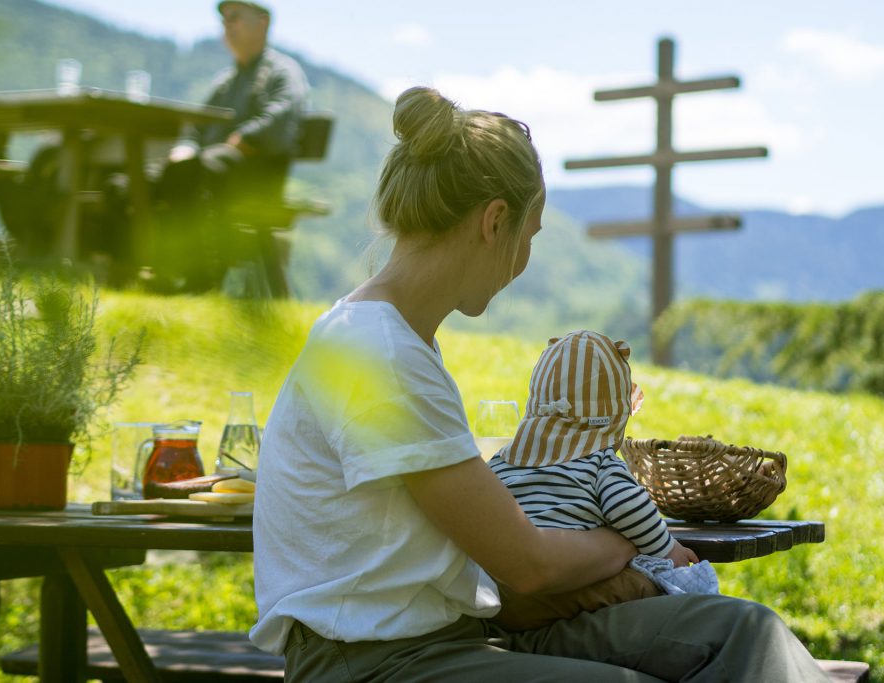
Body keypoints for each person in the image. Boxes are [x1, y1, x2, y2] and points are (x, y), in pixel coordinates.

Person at [251, 86, 832, 682]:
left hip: (454, 637)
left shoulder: (393, 340)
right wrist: (626, 544)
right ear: (495, 221)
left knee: (741, 632)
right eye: (529, 236)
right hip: (378, 664)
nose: (523, 259)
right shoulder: (378, 353)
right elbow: (527, 565)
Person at [488, 330, 719, 631]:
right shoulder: (599, 462)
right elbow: (627, 506)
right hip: (569, 586)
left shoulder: (503, 461)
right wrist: (668, 550)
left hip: (501, 595)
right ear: (615, 412)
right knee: (650, 586)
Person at [153, 0, 308, 289]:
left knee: (201, 168)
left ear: (262, 23)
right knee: (151, 176)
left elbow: (282, 115)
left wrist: (243, 139)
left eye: (234, 18)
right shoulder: (225, 81)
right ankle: (159, 268)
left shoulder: (283, 72)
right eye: (224, 21)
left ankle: (200, 277)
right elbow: (197, 125)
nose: (227, 26)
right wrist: (185, 146)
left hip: (255, 176)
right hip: (214, 167)